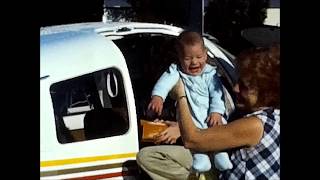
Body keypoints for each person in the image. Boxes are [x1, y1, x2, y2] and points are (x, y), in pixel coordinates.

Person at [137, 45, 280, 180]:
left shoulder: (255, 125)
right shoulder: (270, 117)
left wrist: (181, 95)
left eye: (244, 86)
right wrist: (181, 128)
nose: (235, 88)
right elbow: (221, 132)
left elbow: (192, 140)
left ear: (266, 90)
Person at [147, 31, 233, 174]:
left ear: (206, 54)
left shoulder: (210, 74)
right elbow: (164, 83)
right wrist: (158, 97)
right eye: (187, 58)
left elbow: (217, 95)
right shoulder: (177, 71)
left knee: (217, 137)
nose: (194, 62)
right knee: (195, 141)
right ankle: (201, 160)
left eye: (199, 57)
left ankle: (221, 156)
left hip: (211, 119)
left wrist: (216, 112)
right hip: (192, 120)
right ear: (179, 58)